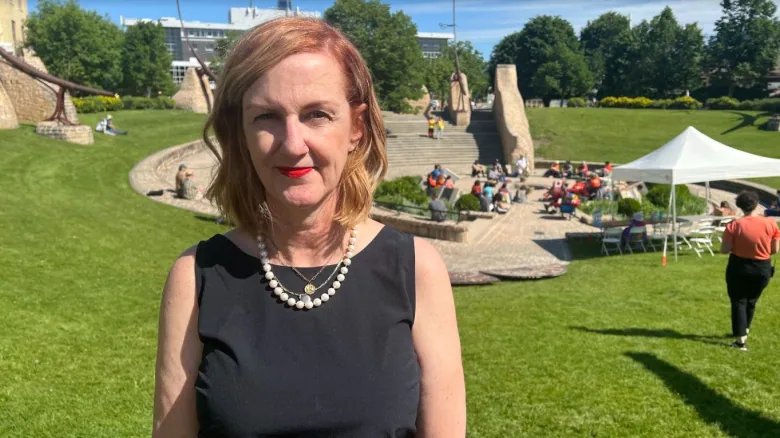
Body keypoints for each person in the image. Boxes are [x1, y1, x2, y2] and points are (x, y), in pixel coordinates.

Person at [153, 17, 466, 436]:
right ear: (241, 132)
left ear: (355, 127)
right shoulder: (196, 278)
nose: (293, 143)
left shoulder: (417, 270)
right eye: (266, 116)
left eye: (316, 114)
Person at [720, 190, 780, 351]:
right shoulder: (771, 224)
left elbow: (724, 250)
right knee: (751, 301)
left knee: (739, 301)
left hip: (738, 266)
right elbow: (774, 250)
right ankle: (744, 330)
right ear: (756, 204)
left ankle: (740, 340)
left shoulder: (733, 225)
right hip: (762, 267)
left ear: (740, 206)